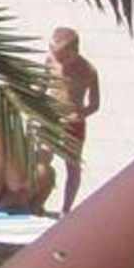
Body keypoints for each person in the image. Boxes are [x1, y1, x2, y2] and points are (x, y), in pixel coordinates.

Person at [44, 27, 101, 211]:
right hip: (51, 117)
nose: (59, 60)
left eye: (63, 56)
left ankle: (66, 209)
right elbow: (41, 86)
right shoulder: (51, 61)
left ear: (74, 52)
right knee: (42, 158)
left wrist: (80, 114)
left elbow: (95, 104)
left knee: (72, 165)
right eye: (55, 54)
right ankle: (37, 201)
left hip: (74, 123)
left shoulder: (88, 71)